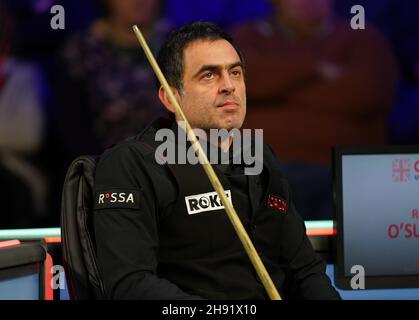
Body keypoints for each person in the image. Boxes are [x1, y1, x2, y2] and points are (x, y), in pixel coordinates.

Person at [93, 22, 341, 300]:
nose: (228, 86)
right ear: (170, 97)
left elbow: (305, 270)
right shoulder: (133, 164)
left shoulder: (259, 156)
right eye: (209, 75)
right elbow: (131, 286)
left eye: (235, 72)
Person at [230, 0, 399, 220]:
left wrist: (276, 88)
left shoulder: (363, 38)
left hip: (343, 171)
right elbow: (241, 84)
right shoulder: (247, 36)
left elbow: (366, 94)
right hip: (263, 168)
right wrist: (317, 70)